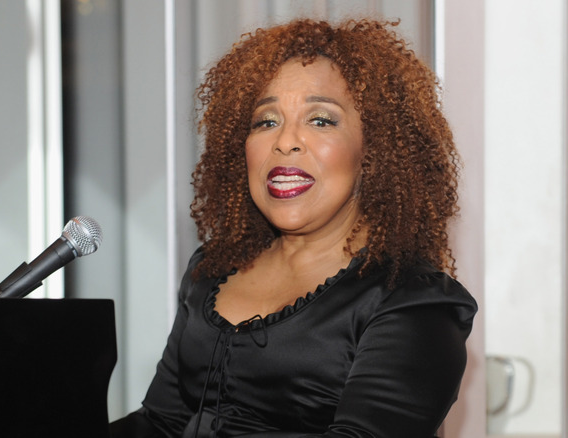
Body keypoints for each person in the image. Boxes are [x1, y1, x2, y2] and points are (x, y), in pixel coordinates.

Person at [110, 18, 477, 438]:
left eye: (321, 120)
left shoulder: (412, 301)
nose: (285, 141)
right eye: (266, 121)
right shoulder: (211, 271)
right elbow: (162, 423)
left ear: (373, 150)